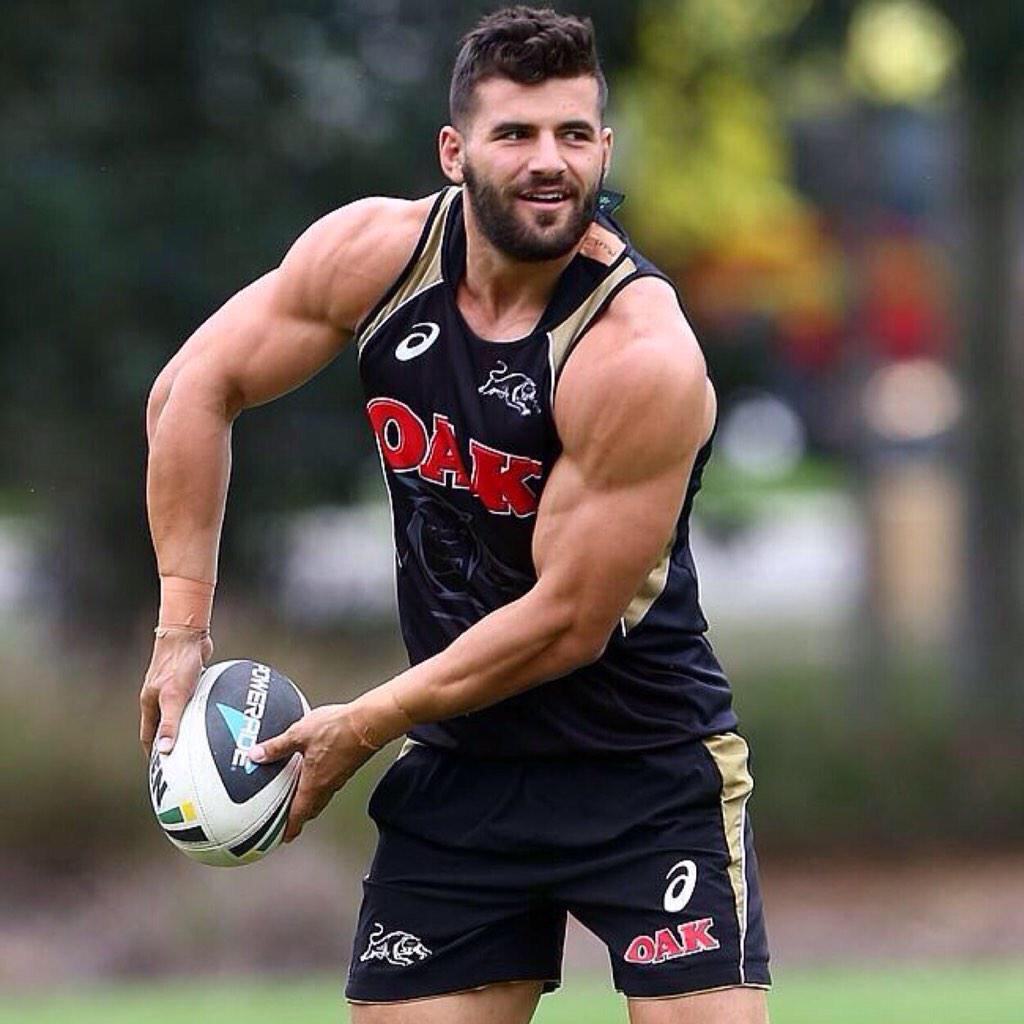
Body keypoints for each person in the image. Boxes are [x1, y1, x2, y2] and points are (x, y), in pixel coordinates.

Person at [141, 7, 771, 1022]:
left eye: (574, 134)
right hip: (465, 767)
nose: (549, 162)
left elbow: (568, 620)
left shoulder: (635, 352)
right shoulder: (375, 259)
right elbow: (192, 390)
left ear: (605, 148)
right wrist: (181, 630)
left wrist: (367, 723)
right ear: (454, 152)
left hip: (644, 767)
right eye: (515, 134)